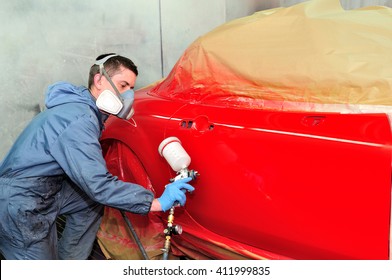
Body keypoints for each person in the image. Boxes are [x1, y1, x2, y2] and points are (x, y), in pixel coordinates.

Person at [0, 53, 194, 260]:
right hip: (19, 205)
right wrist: (155, 203)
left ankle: (71, 263)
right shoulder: (79, 119)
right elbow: (98, 185)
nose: (127, 97)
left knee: (88, 202)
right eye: (122, 86)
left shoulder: (83, 110)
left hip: (44, 189)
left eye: (131, 89)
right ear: (99, 80)